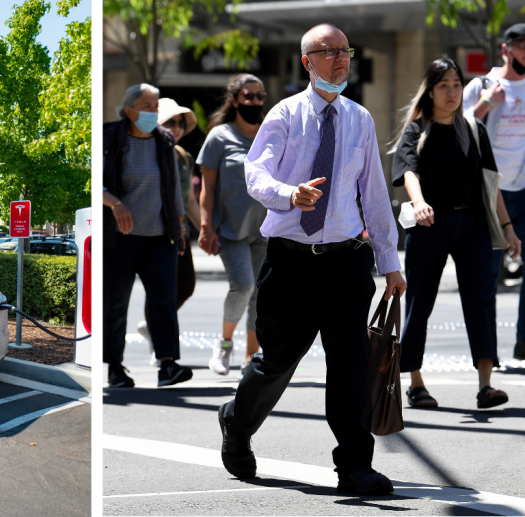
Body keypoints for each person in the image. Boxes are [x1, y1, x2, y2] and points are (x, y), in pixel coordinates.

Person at [217, 24, 407, 495]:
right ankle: (236, 425)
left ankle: (354, 466)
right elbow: (255, 173)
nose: (341, 59)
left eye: (346, 51)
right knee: (276, 362)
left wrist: (390, 262)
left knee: (350, 366)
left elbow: (376, 195)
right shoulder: (284, 115)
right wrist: (288, 194)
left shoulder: (360, 119)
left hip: (346, 262)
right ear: (308, 61)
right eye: (330, 52)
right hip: (290, 262)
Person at [392, 56, 521, 409]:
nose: (451, 92)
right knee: (420, 302)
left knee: (481, 300)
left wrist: (508, 228)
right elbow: (409, 173)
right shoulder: (417, 129)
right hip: (429, 226)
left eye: (455, 85)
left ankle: (485, 385)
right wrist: (418, 203)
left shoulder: (473, 128)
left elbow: (490, 183)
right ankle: (415, 381)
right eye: (443, 86)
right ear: (430, 91)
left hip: (473, 227)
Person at [103, 84, 193, 388]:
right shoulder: (109, 137)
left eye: (156, 106)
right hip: (120, 238)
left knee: (164, 299)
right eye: (147, 106)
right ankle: (115, 368)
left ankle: (168, 365)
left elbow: (173, 189)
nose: (154, 111)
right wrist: (115, 204)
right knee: (116, 303)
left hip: (159, 236)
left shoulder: (163, 139)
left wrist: (179, 227)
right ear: (130, 111)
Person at [197, 74, 268, 377]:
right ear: (235, 99)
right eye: (248, 96)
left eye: (259, 96)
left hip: (267, 229)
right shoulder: (219, 137)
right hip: (231, 230)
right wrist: (204, 226)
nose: (254, 101)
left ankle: (252, 356)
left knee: (259, 295)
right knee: (243, 286)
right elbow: (207, 188)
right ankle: (225, 345)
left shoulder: (271, 132)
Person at [463, 23, 525, 360]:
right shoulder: (482, 85)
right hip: (488, 194)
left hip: (524, 190)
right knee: (485, 278)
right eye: (521, 45)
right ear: (506, 49)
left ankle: (523, 342)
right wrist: (486, 103)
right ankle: (489, 352)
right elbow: (457, 128)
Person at [136, 98, 198, 368]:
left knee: (186, 286)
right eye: (170, 121)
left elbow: (190, 200)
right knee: (161, 290)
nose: (177, 127)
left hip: (179, 233)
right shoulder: (145, 152)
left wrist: (207, 228)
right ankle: (160, 345)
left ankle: (154, 328)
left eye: (180, 122)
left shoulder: (183, 156)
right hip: (155, 233)